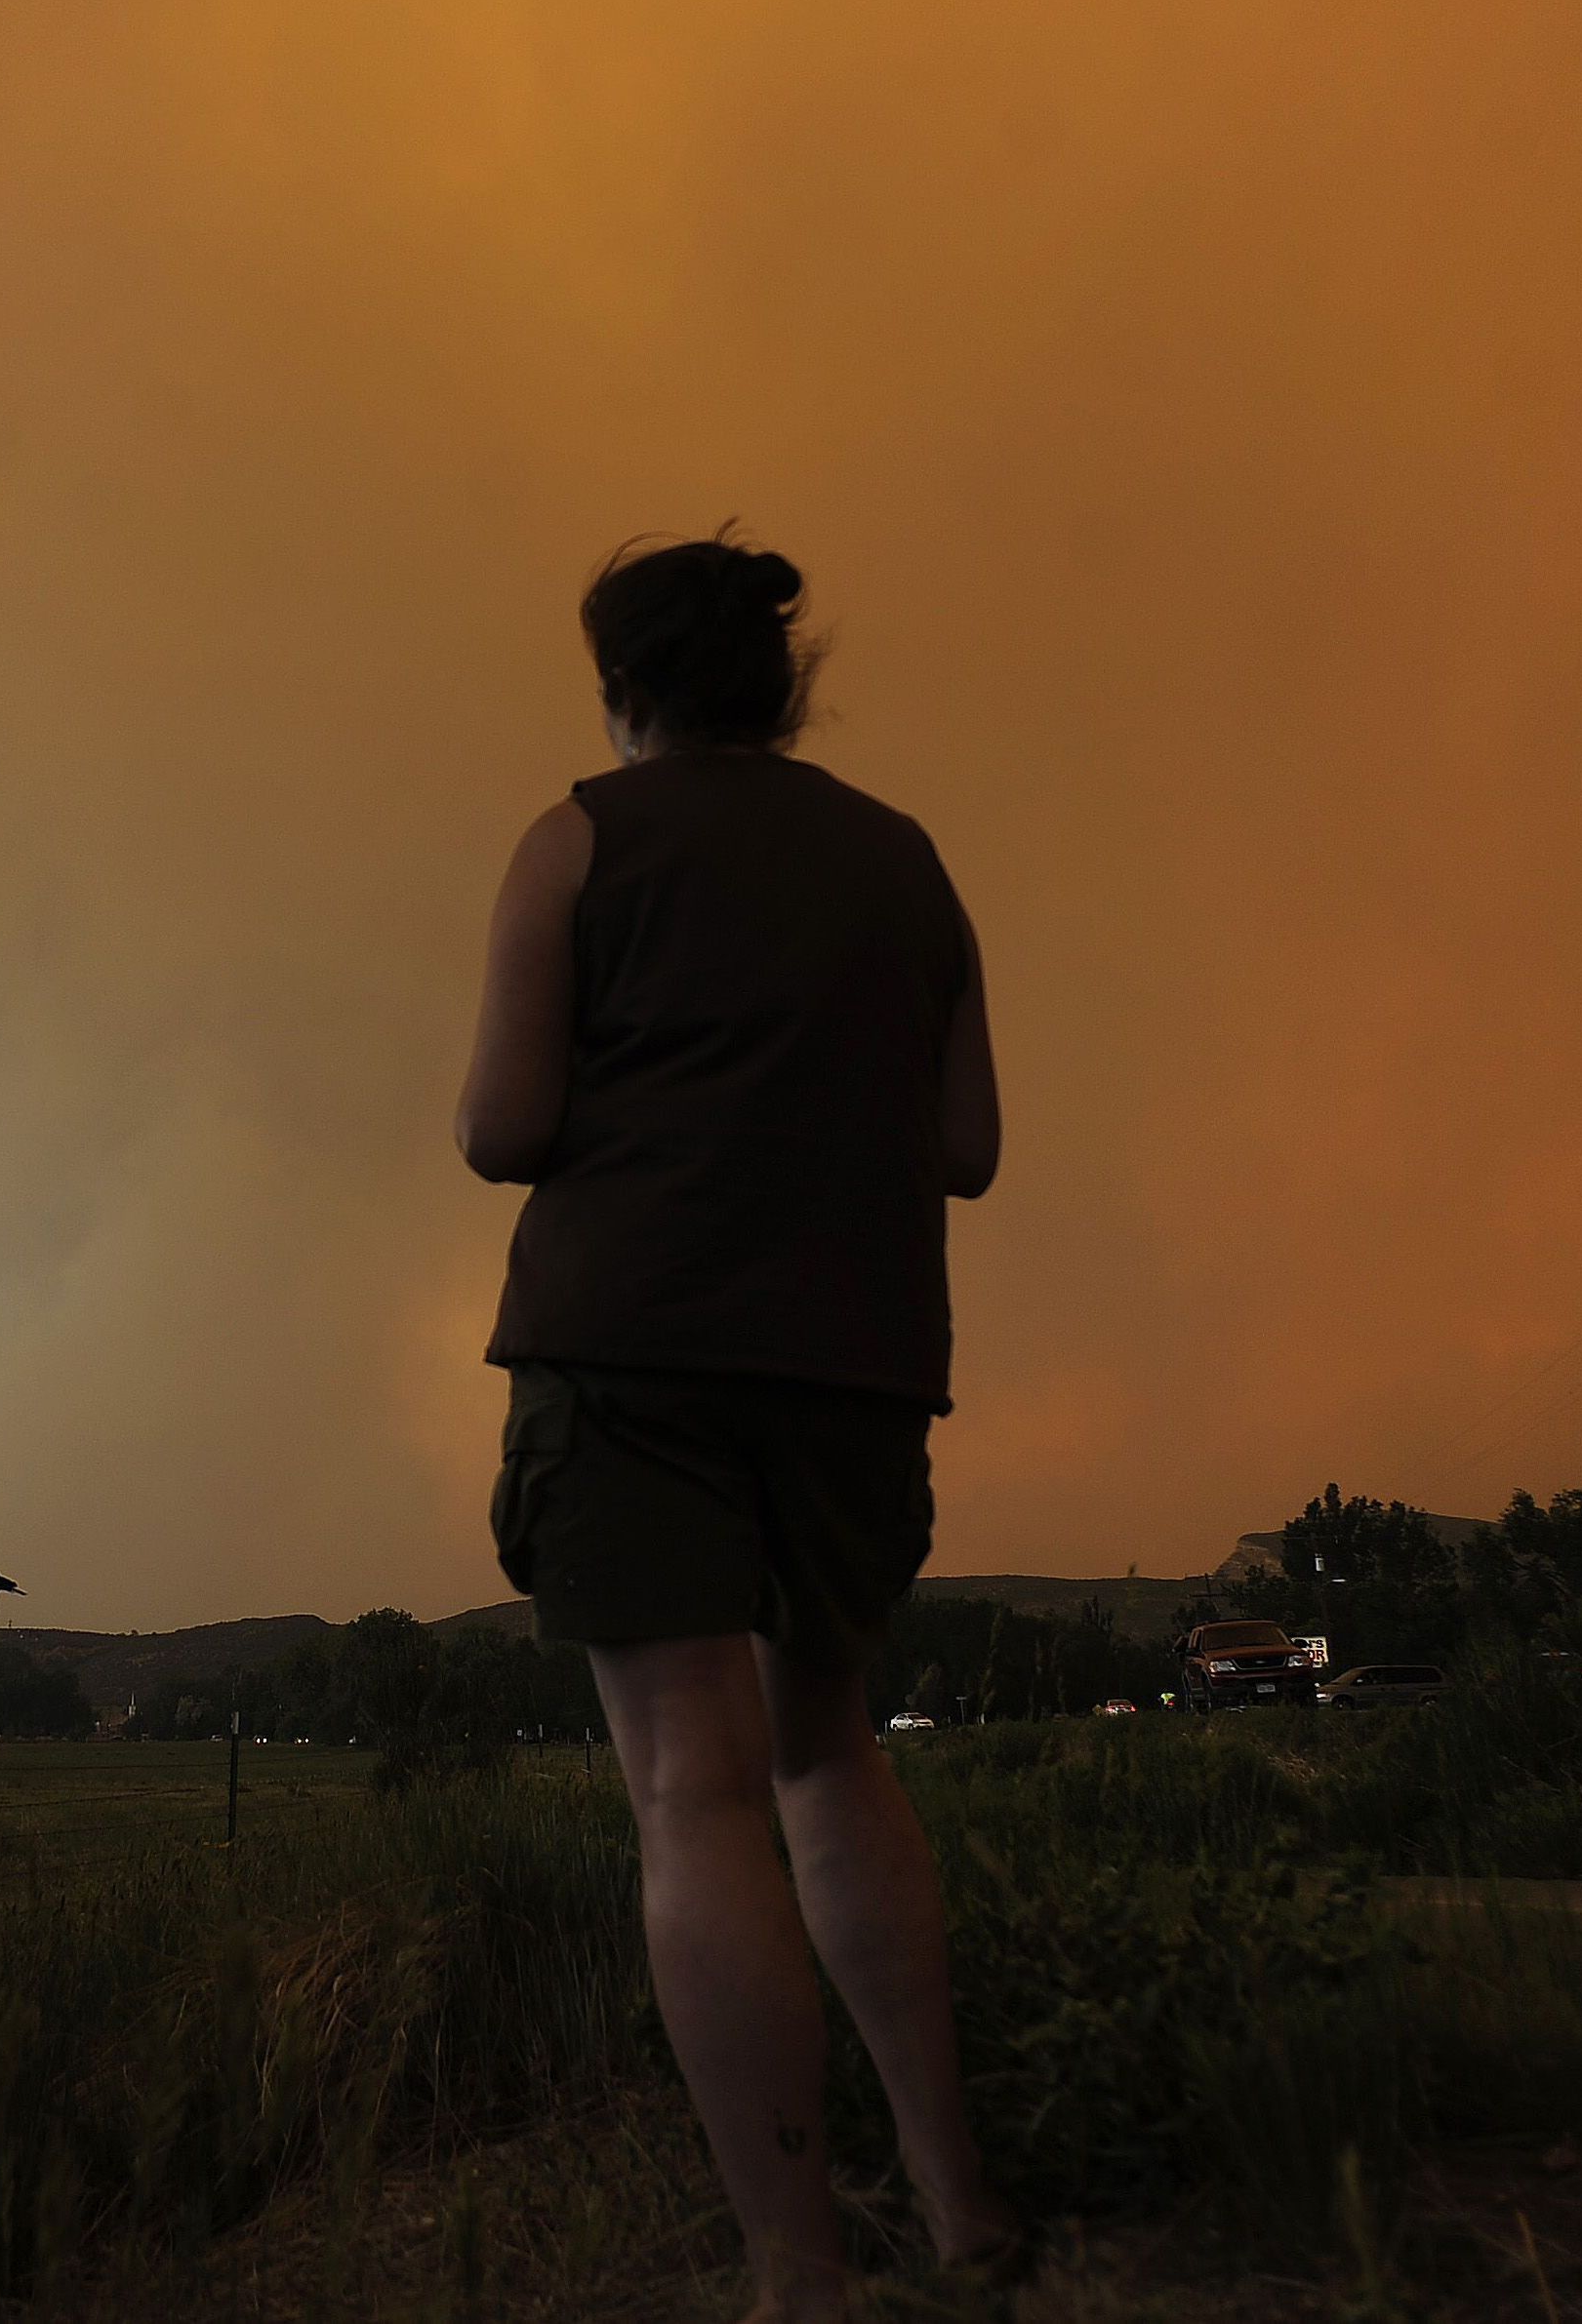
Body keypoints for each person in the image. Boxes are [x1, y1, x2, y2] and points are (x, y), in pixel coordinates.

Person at [455, 534, 1016, 2314]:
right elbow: (969, 1151)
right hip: (852, 1360)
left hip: (634, 1356)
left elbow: (498, 1125)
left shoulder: (578, 841)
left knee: (691, 1794)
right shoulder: (906, 865)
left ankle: (798, 2275)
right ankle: (961, 2211)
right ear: (781, 684)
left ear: (623, 690)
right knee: (830, 1756)